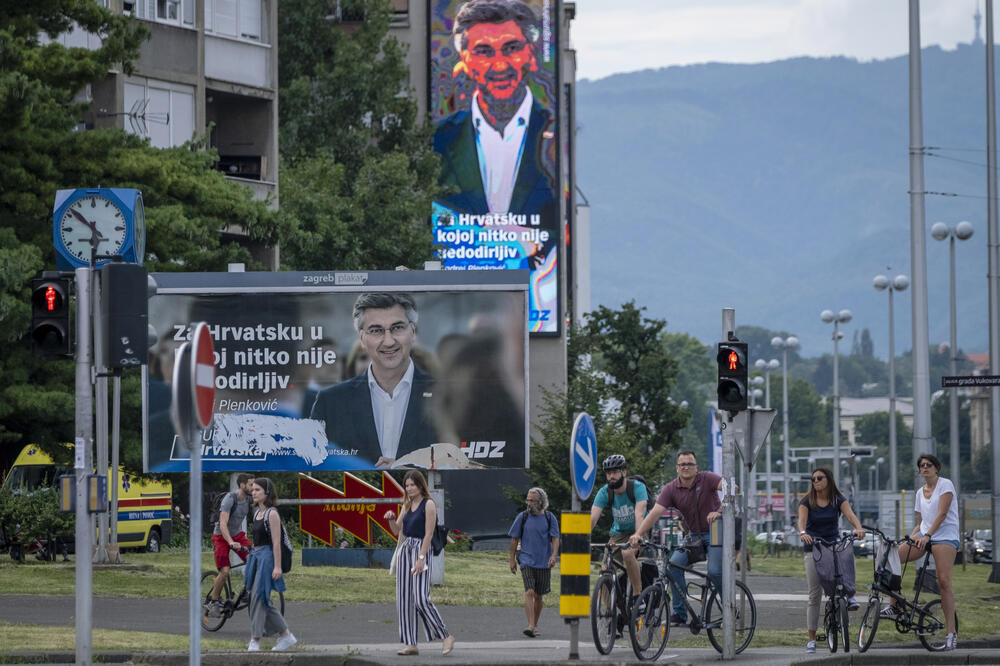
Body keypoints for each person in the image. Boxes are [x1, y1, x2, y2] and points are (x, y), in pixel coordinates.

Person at [432, 0, 557, 269]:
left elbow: (566, 226)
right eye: (484, 52)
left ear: (531, 54)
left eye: (512, 48)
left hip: (540, 287)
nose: (500, 65)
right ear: (464, 60)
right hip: (461, 287)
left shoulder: (557, 136)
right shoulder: (438, 141)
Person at [310, 293, 439, 467]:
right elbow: (313, 466)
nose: (388, 341)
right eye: (376, 330)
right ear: (362, 339)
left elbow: (464, 462)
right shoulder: (330, 403)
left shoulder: (445, 394)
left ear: (413, 332)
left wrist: (408, 469)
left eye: (397, 327)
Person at [630, 450, 723, 626]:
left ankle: (729, 610)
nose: (686, 467)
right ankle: (680, 614)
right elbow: (655, 513)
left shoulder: (708, 478)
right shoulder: (671, 489)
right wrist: (638, 534)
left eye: (690, 464)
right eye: (682, 464)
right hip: (694, 535)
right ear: (677, 468)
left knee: (715, 572)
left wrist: (719, 511)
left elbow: (733, 489)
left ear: (696, 467)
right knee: (673, 567)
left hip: (716, 529)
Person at [881, 454, 959, 651]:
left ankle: (951, 633)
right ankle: (895, 604)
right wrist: (911, 536)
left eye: (928, 465)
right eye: (921, 465)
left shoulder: (945, 485)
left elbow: (942, 514)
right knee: (892, 557)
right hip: (925, 534)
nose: (925, 467)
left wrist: (928, 536)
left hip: (945, 536)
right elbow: (920, 522)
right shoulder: (919, 493)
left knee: (944, 581)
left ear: (936, 468)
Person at [383, 470, 456, 656]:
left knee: (421, 598)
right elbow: (397, 530)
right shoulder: (407, 504)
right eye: (406, 485)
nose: (409, 488)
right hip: (405, 549)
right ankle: (411, 644)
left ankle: (446, 636)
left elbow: (429, 534)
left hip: (421, 549)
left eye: (412, 485)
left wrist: (421, 559)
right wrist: (391, 519)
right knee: (404, 599)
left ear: (420, 485)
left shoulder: (428, 504)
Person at [797, 467, 865, 654]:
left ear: (828, 479)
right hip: (814, 547)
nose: (816, 481)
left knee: (847, 556)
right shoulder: (807, 501)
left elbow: (850, 515)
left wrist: (858, 527)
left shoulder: (837, 499)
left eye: (819, 478)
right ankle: (811, 640)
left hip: (833, 544)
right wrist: (803, 533)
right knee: (814, 594)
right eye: (813, 479)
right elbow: (801, 521)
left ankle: (849, 596)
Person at [245, 477, 296, 652]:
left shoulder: (272, 513)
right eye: (252, 490)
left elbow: (276, 542)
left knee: (259, 596)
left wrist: (277, 566)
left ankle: (255, 639)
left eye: (257, 490)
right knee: (259, 598)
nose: (253, 493)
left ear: (267, 492)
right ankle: (286, 635)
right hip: (257, 556)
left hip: (267, 558)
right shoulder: (256, 513)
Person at [590, 454, 648, 606]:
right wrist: (582, 536)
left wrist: (637, 535)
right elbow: (592, 518)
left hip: (639, 529)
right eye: (608, 473)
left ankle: (637, 596)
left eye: (615, 472)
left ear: (624, 472)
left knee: (628, 553)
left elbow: (640, 513)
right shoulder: (604, 492)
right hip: (618, 533)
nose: (611, 476)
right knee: (605, 571)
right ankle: (610, 612)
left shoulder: (637, 487)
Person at [507, 487, 559, 637]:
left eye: (532, 501)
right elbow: (514, 539)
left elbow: (555, 538)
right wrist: (511, 560)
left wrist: (553, 555)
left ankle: (534, 625)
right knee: (529, 591)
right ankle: (530, 625)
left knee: (538, 595)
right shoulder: (522, 517)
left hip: (543, 562)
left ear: (541, 502)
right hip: (526, 559)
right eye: (528, 500)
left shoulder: (550, 518)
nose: (529, 503)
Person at [207, 473, 255, 617]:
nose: (253, 488)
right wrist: (230, 542)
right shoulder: (230, 499)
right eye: (251, 485)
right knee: (225, 571)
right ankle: (213, 601)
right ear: (242, 485)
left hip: (237, 535)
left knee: (254, 558)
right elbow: (222, 524)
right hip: (221, 537)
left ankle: (247, 591)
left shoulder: (250, 499)